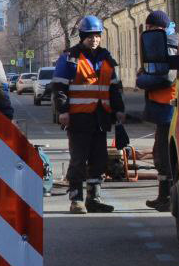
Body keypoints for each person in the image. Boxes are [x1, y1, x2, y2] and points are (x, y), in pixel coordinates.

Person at [51, 15, 125, 214]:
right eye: (90, 36)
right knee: (78, 159)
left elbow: (114, 88)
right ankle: (76, 200)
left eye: (97, 36)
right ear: (83, 36)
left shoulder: (106, 58)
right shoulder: (70, 58)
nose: (95, 39)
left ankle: (94, 198)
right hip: (78, 118)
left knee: (99, 159)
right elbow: (59, 88)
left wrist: (119, 110)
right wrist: (63, 111)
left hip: (100, 117)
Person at [135, 9, 179, 211]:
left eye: (151, 27)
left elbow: (167, 77)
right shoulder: (166, 41)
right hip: (165, 108)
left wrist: (141, 79)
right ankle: (164, 196)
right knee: (160, 153)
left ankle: (168, 198)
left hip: (168, 107)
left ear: (159, 27)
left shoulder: (168, 44)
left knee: (163, 155)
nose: (149, 31)